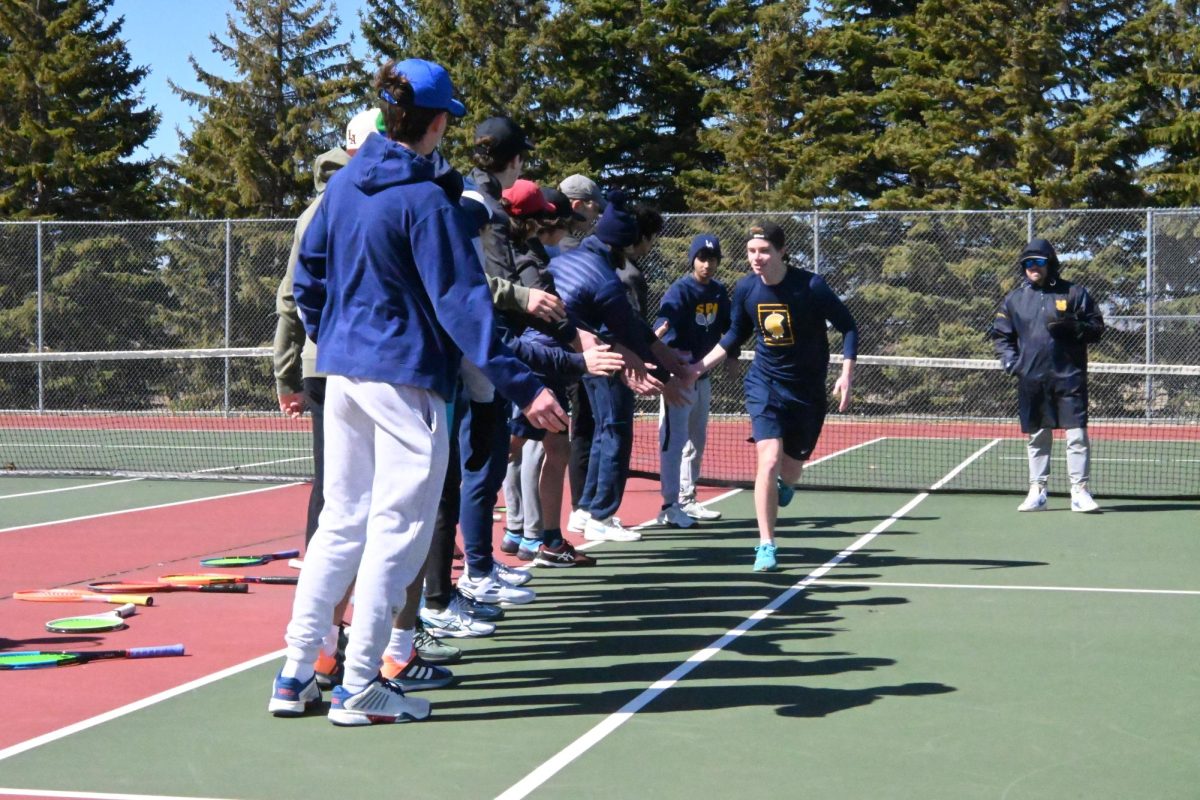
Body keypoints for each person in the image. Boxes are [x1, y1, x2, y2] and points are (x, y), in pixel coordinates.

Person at [270, 58, 565, 726]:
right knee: (395, 531)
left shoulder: (344, 188)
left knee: (340, 525)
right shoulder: (428, 201)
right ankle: (359, 684)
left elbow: (308, 280)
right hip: (405, 382)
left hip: (342, 376)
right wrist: (523, 387)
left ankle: (295, 675)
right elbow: (464, 307)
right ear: (436, 123)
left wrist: (340, 338)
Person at [693, 222, 857, 572]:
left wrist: (846, 372)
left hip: (808, 391)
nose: (757, 258)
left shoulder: (811, 286)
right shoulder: (746, 289)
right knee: (767, 460)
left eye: (764, 250)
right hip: (765, 384)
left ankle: (784, 485)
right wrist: (697, 368)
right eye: (752, 251)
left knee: (791, 469)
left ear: (782, 251)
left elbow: (849, 326)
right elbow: (736, 332)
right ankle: (766, 543)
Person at [551, 191, 694, 543]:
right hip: (599, 358)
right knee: (615, 430)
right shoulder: (606, 274)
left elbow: (627, 323)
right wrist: (663, 375)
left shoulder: (579, 256)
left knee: (602, 430)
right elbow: (624, 326)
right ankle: (602, 513)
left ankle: (586, 508)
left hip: (578, 356)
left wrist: (659, 349)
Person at [988, 238, 1105, 513]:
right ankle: (1037, 491)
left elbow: (1097, 327)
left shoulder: (1074, 293)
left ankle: (1080, 492)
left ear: (1049, 264)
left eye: (1039, 262)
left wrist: (1075, 327)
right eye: (1028, 263)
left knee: (1076, 436)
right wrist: (1011, 364)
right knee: (1037, 436)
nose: (1033, 267)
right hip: (1032, 380)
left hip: (1069, 378)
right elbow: (1001, 336)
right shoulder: (1014, 300)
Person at [654, 233, 731, 528]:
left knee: (696, 441)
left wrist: (732, 356)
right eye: (702, 258)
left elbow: (728, 327)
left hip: (703, 376)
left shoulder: (719, 292)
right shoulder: (680, 291)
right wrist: (668, 360)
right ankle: (669, 506)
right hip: (679, 376)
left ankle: (687, 499)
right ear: (693, 260)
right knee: (674, 442)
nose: (708, 265)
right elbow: (663, 326)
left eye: (712, 259)